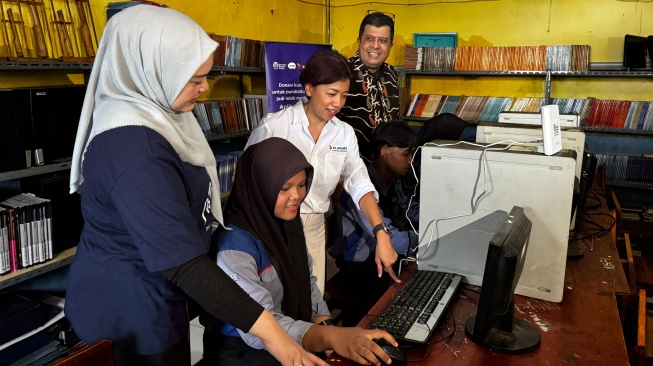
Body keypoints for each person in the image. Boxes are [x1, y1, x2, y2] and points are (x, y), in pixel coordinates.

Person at [65, 6, 325, 366]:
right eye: (194, 78)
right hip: (129, 314)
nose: (204, 87)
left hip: (161, 298)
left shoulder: (164, 116)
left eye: (206, 75)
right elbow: (185, 265)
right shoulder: (134, 153)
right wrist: (279, 340)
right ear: (151, 70)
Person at [202, 137, 397, 365]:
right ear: (259, 187)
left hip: (292, 336)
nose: (296, 196)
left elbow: (308, 281)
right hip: (244, 350)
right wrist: (330, 338)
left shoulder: (288, 224)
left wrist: (325, 325)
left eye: (302, 184)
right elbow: (258, 327)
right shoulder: (234, 245)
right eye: (284, 188)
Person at [245, 49, 400, 294]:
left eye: (344, 95)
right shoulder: (275, 127)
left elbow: (359, 183)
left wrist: (381, 232)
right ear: (309, 89)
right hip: (272, 228)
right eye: (331, 94)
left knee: (310, 302)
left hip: (314, 227)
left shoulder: (344, 133)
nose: (338, 103)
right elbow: (246, 181)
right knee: (274, 301)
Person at [329, 122, 419, 325]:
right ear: (385, 152)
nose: (411, 161)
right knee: (406, 294)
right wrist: (426, 240)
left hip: (381, 260)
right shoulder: (361, 190)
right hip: (359, 268)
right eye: (406, 154)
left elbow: (407, 212)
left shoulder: (392, 181)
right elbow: (392, 240)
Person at [337, 11, 400, 162]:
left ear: (390, 45)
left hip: (387, 170)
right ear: (359, 41)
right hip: (351, 170)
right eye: (369, 38)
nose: (375, 46)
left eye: (383, 40)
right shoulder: (342, 72)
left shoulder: (392, 74)